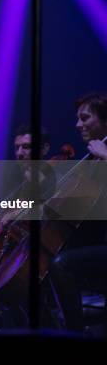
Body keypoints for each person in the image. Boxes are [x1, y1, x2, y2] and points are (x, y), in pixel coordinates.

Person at [49, 93, 107, 333]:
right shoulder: (90, 158)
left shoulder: (100, 154)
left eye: (85, 118)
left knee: (61, 265)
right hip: (96, 238)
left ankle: (75, 333)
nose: (77, 125)